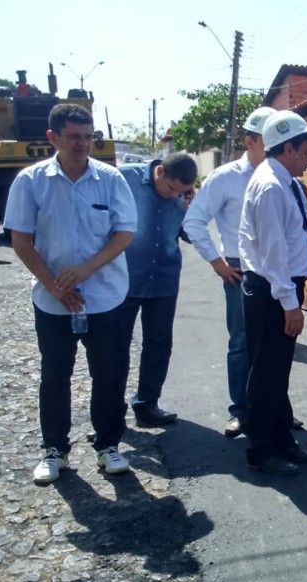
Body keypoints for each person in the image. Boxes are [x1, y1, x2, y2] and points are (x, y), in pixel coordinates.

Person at [3, 103, 137, 484]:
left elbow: (124, 233)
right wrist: (54, 285)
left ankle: (108, 445)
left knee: (110, 374)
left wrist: (88, 268)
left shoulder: (111, 179)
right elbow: (21, 240)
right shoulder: (30, 182)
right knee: (55, 375)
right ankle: (54, 450)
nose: (82, 144)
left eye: (88, 136)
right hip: (52, 301)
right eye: (73, 136)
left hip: (105, 297)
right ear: (53, 138)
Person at [182, 106, 277, 437]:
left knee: (275, 344)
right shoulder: (224, 178)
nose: (277, 147)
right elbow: (193, 221)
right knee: (241, 342)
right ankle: (241, 410)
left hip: (276, 270)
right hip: (239, 270)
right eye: (270, 141)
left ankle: (274, 408)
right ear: (250, 141)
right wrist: (217, 262)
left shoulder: (282, 175)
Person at [237, 110, 307, 475]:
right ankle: (262, 451)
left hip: (281, 287)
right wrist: (291, 304)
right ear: (287, 147)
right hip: (274, 290)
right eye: (304, 150)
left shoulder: (285, 181)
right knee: (267, 374)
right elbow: (273, 255)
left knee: (277, 372)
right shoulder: (271, 186)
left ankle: (283, 440)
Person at [119, 153, 198, 427]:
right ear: (160, 171)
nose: (173, 196)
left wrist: (191, 209)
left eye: (181, 192)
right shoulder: (123, 177)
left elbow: (189, 234)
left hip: (163, 280)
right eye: (172, 189)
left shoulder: (183, 196)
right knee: (114, 347)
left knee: (159, 344)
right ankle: (111, 411)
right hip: (123, 279)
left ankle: (147, 404)